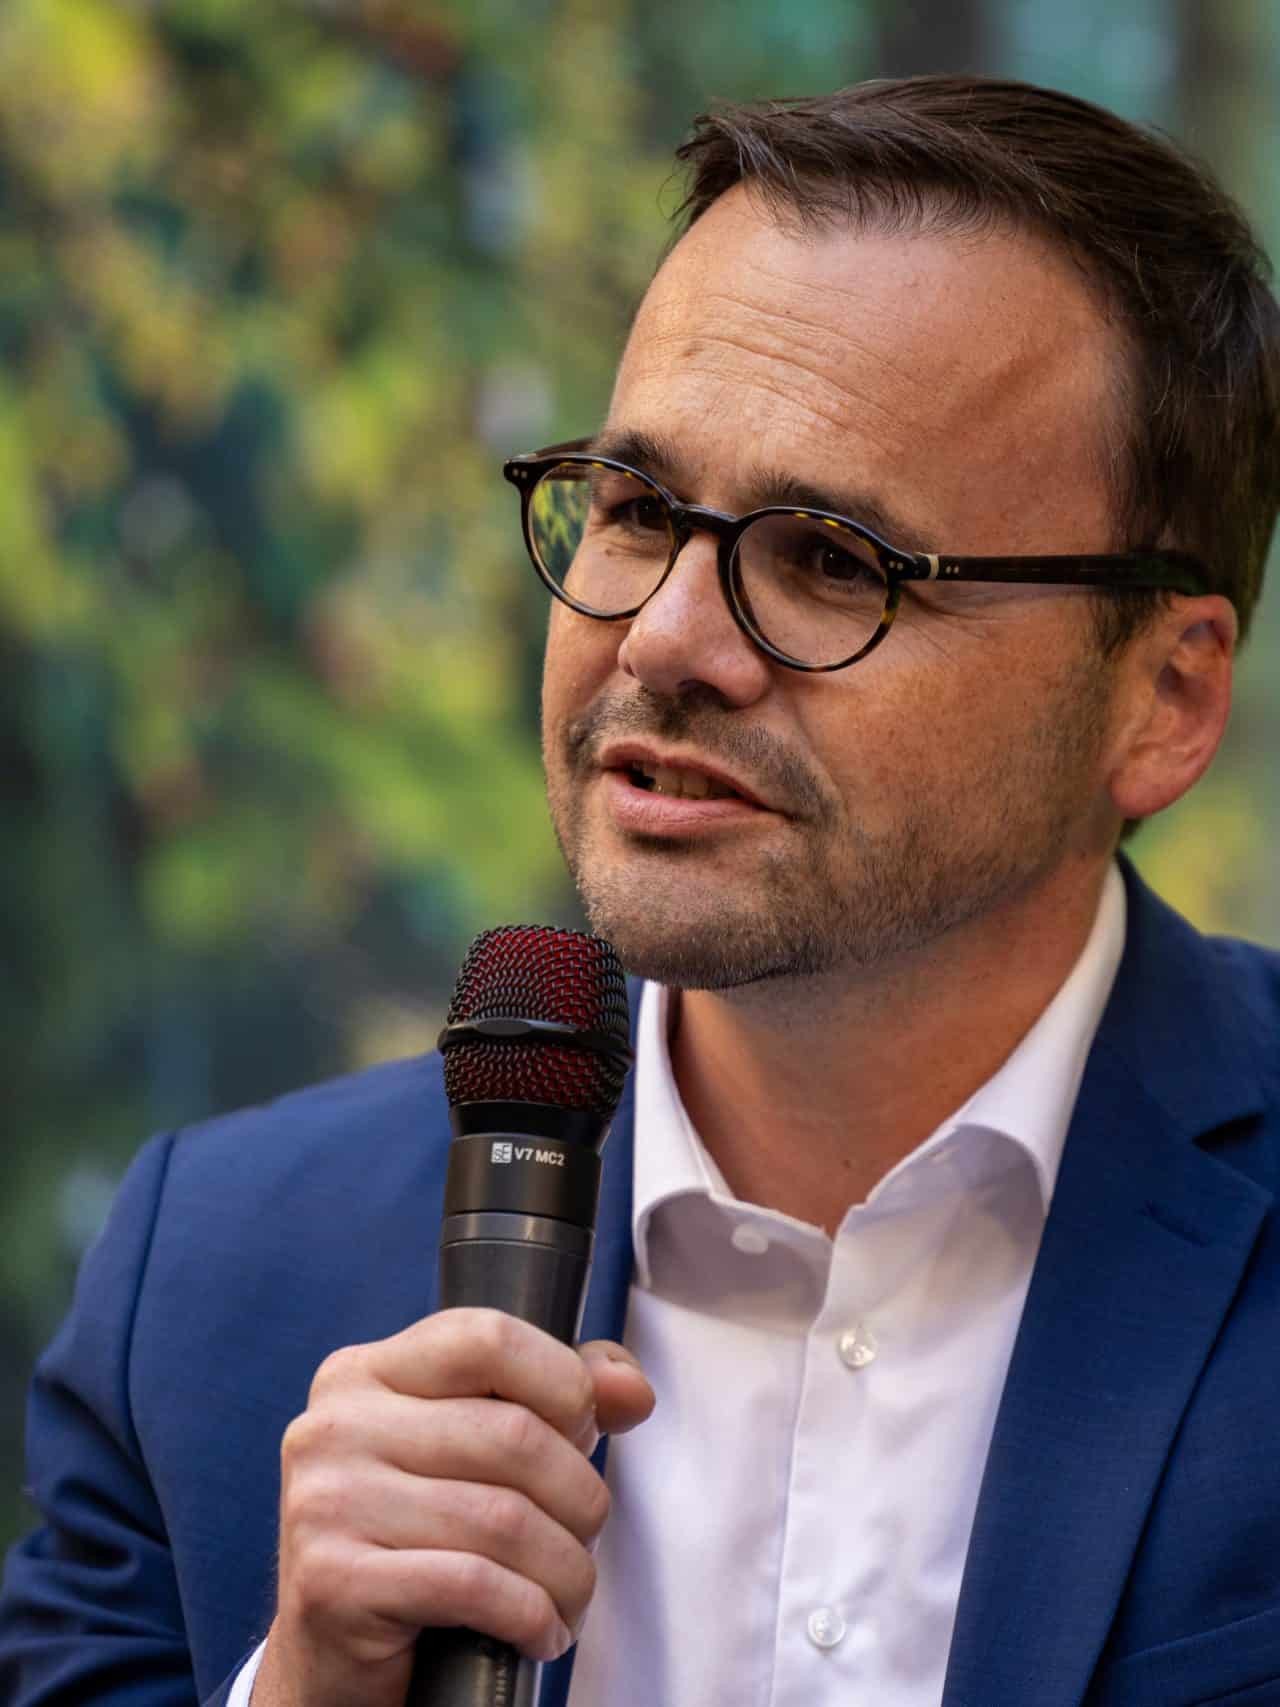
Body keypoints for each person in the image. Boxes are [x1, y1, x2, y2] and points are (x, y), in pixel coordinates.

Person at [3, 72, 1279, 1707]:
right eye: (636, 510)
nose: (667, 639)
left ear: (1163, 698)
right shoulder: (211, 1286)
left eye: (834, 560)